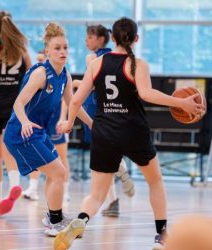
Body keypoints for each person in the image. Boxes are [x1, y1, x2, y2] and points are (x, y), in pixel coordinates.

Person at [54, 17, 205, 250]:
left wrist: (68, 122)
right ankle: (160, 236)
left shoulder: (96, 63)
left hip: (104, 132)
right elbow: (147, 94)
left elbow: (75, 100)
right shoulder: (138, 64)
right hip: (133, 131)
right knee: (155, 181)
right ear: (136, 38)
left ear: (112, 38)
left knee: (97, 195)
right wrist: (180, 103)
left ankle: (80, 220)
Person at [3, 22, 92, 236]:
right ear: (47, 51)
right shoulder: (41, 73)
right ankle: (55, 222)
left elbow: (73, 104)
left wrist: (92, 124)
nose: (63, 52)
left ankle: (54, 217)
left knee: (56, 174)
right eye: (58, 48)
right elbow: (18, 103)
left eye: (65, 47)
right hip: (20, 132)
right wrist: (24, 121)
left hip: (38, 132)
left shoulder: (66, 76)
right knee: (59, 172)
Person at [73, 24, 135, 217]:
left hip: (96, 111)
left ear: (102, 39)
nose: (86, 40)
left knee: (102, 161)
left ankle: (121, 168)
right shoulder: (119, 57)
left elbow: (89, 86)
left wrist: (73, 83)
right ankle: (113, 202)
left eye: (90, 36)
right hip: (117, 110)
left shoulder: (92, 58)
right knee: (107, 157)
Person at [0, 10, 32, 216]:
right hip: (13, 104)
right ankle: (15, 184)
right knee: (8, 148)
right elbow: (29, 73)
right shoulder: (21, 47)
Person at [22, 100, 72, 202]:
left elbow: (65, 98)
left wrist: (62, 118)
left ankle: (65, 192)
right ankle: (33, 188)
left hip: (57, 118)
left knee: (61, 156)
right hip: (40, 116)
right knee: (38, 153)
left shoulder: (63, 83)